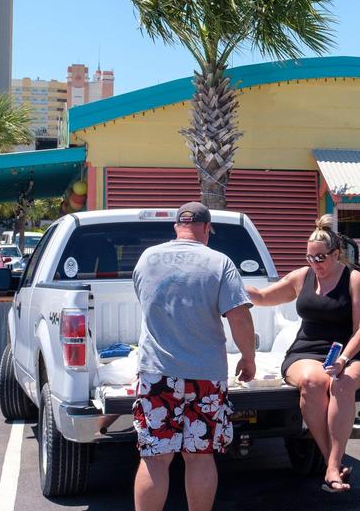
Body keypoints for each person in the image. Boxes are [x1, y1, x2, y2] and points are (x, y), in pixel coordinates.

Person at [132, 202, 257, 511]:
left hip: (157, 373)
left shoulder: (147, 259)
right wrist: (248, 357)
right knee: (200, 456)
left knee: (155, 458)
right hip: (206, 376)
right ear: (206, 228)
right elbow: (238, 317)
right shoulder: (219, 263)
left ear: (176, 227)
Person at [246, 214, 360, 493]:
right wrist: (231, 283)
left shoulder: (353, 279)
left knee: (341, 383)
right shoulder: (302, 276)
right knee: (313, 382)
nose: (314, 264)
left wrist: (343, 359)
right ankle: (331, 464)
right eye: (310, 258)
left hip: (354, 350)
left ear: (335, 255)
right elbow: (262, 298)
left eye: (320, 258)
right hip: (307, 349)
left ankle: (332, 465)